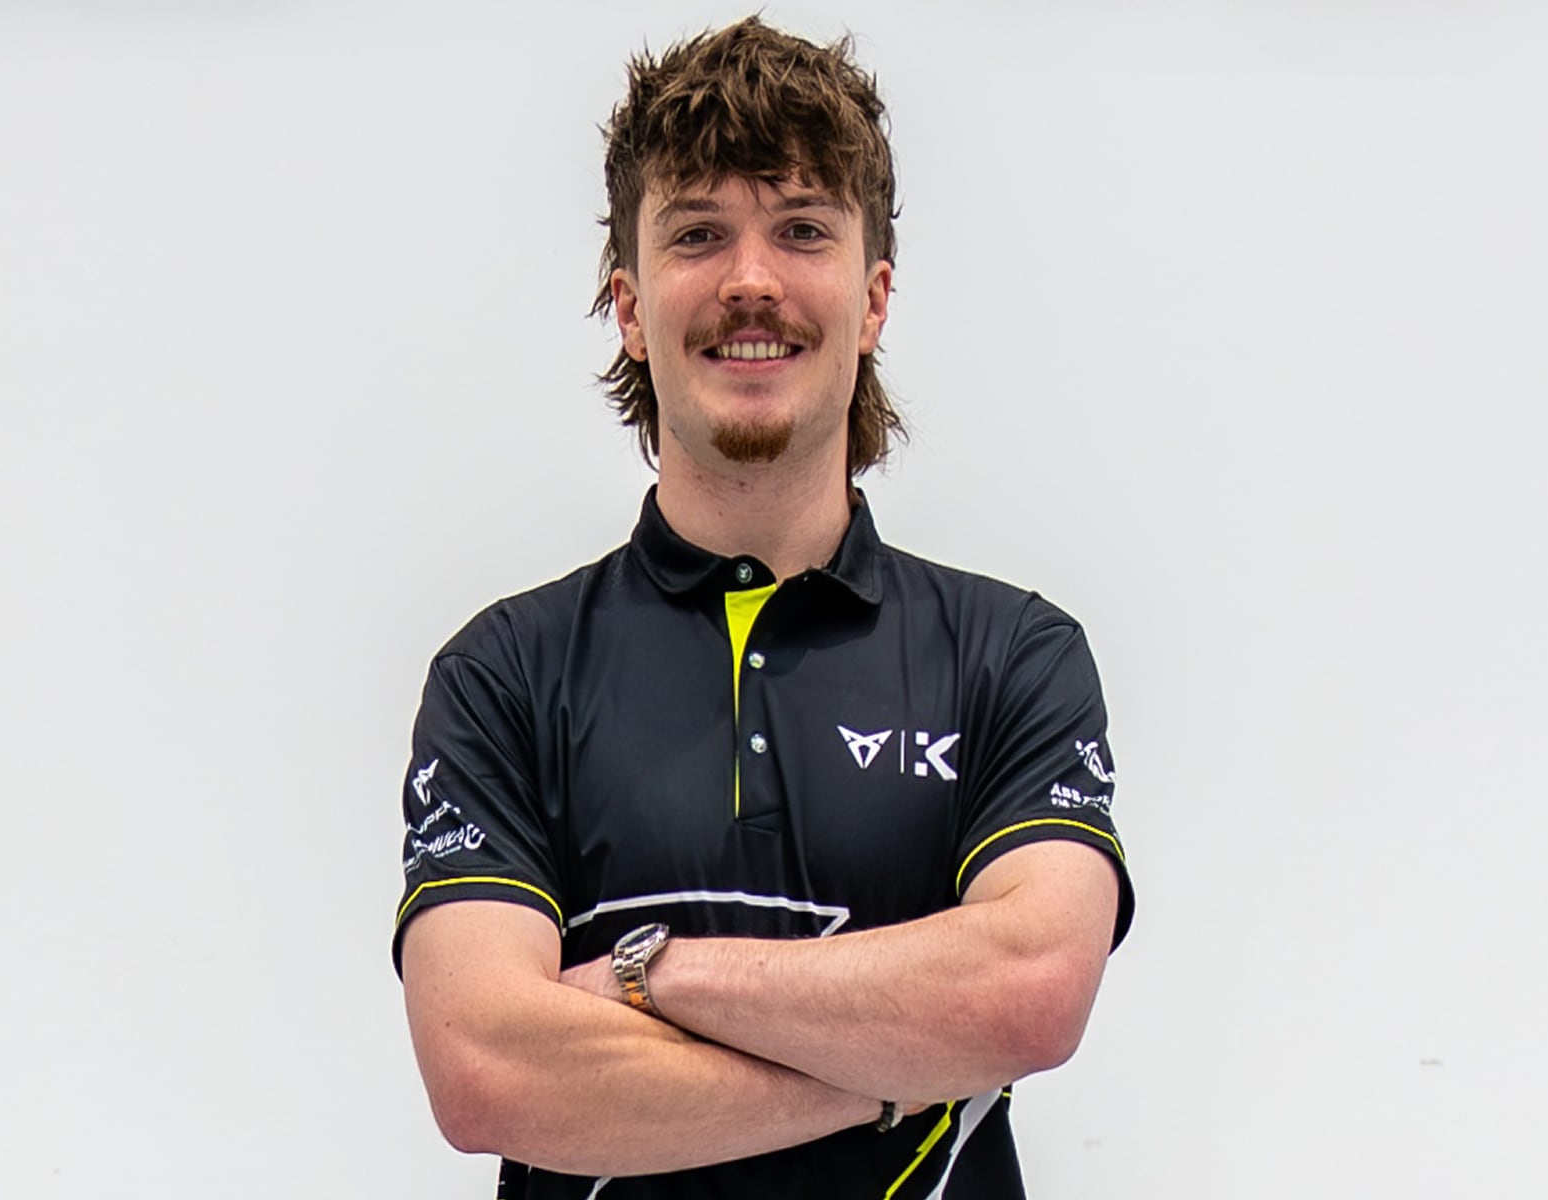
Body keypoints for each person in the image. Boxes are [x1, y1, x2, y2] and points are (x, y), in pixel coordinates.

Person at [391, 16, 1134, 1197]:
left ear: (872, 299)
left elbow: (1029, 994)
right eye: (698, 234)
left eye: (801, 230)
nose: (750, 280)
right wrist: (904, 1070)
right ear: (629, 307)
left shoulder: (1010, 657)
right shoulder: (505, 676)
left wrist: (649, 974)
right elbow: (487, 1069)